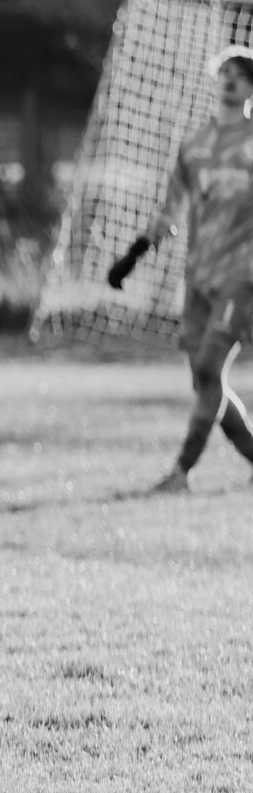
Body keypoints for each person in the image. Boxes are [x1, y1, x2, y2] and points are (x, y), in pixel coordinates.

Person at [108, 46, 253, 492]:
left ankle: (180, 473)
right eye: (224, 72)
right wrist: (134, 253)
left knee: (209, 369)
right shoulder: (193, 146)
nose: (230, 79)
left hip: (242, 277)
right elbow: (171, 210)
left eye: (241, 74)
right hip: (198, 278)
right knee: (206, 381)